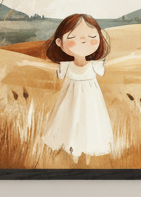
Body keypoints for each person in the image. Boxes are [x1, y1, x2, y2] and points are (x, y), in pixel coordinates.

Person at [42, 13, 113, 164]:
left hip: (91, 103)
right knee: (71, 124)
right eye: (73, 38)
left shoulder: (95, 65)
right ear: (59, 43)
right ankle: (74, 152)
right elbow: (48, 69)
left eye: (91, 37)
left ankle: (87, 154)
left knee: (90, 123)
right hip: (70, 103)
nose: (83, 41)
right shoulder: (66, 66)